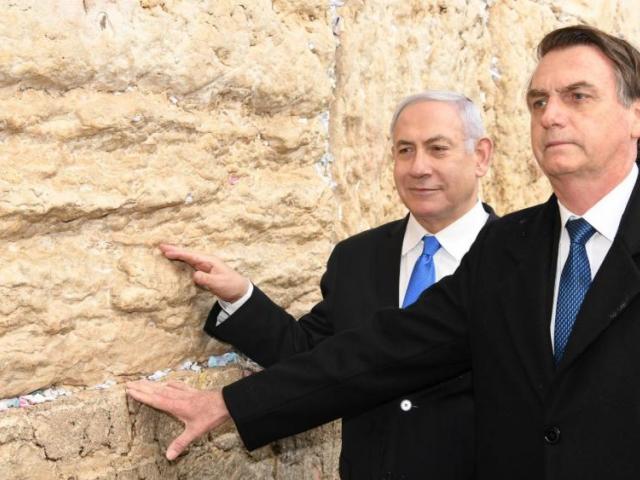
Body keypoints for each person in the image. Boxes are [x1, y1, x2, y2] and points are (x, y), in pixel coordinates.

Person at [128, 24, 640, 479]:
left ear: (635, 114)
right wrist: (232, 403)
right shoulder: (509, 248)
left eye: (578, 96)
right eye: (538, 102)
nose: (551, 116)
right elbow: (384, 352)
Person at [149, 90, 495, 479]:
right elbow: (315, 359)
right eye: (405, 150)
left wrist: (229, 404)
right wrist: (241, 296)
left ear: (481, 156)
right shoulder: (357, 258)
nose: (419, 167)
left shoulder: (518, 262)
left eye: (437, 149)